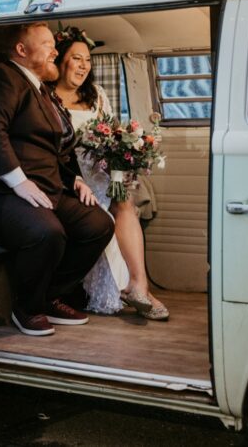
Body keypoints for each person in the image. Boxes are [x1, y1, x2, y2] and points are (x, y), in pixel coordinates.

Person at [0, 22, 115, 337]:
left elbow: (57, 148)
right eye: (46, 45)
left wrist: (75, 181)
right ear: (22, 51)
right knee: (46, 231)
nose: (56, 51)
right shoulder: (2, 77)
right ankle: (26, 306)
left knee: (98, 224)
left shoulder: (42, 90)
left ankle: (47, 295)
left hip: (44, 188)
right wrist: (17, 181)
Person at [49, 27, 169, 321]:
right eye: (76, 58)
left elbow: (113, 133)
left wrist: (123, 159)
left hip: (101, 170)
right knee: (104, 207)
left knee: (124, 198)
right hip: (69, 175)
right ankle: (129, 288)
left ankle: (140, 284)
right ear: (60, 60)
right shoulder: (47, 98)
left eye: (87, 60)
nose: (83, 66)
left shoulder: (97, 95)